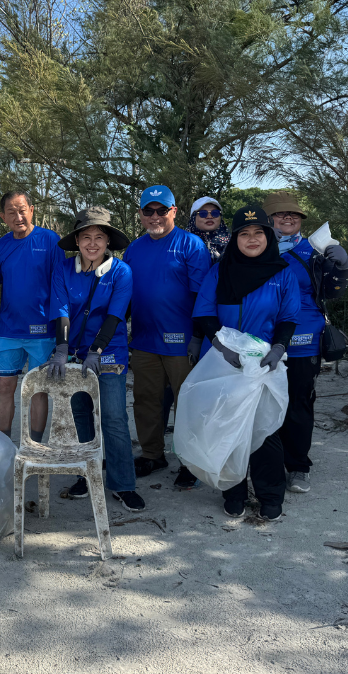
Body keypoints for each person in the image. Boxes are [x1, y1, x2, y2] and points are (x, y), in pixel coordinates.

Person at [192, 207, 301, 521]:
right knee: (228, 427)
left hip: (263, 363)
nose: (252, 239)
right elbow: (204, 313)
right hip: (224, 362)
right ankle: (233, 492)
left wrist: (278, 348)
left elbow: (289, 316)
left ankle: (270, 495)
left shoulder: (283, 273)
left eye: (258, 233)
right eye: (244, 233)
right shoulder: (220, 271)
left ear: (268, 236)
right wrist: (222, 348)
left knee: (265, 430)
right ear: (235, 239)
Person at [45, 207, 146, 512]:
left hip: (109, 351)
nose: (92, 243)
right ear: (77, 241)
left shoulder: (121, 272)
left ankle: (123, 483)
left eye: (99, 237)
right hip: (75, 352)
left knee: (113, 417)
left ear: (108, 241)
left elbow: (116, 315)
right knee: (80, 414)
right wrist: (62, 348)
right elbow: (61, 309)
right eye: (86, 237)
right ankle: (86, 474)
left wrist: (97, 350)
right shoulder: (63, 269)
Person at [262, 191, 348, 494]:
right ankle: (267, 465)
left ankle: (298, 467)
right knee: (263, 404)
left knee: (298, 404)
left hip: (303, 339)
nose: (288, 217)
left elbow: (332, 292)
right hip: (262, 338)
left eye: (294, 214)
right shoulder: (254, 247)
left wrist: (342, 267)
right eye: (280, 213)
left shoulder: (314, 251)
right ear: (268, 219)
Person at [123, 186, 211, 487]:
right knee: (146, 400)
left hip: (182, 342)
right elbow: (125, 296)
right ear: (141, 214)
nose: (155, 216)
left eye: (162, 210)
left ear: (174, 211)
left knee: (188, 403)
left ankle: (191, 462)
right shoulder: (134, 249)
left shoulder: (191, 244)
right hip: (144, 340)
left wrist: (197, 337)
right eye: (149, 210)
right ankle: (152, 454)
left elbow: (203, 296)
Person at [0, 191, 67, 442]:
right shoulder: (0, 246)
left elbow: (61, 287)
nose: (18, 217)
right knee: (5, 387)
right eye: (11, 212)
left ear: (32, 210)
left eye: (22, 210)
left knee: (38, 390)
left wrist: (63, 335)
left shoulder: (51, 241)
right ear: (3, 216)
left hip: (43, 331)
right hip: (8, 330)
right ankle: (4, 446)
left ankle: (35, 446)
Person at [187, 196, 230, 262]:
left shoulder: (233, 244)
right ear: (193, 218)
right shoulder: (183, 243)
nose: (209, 217)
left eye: (215, 213)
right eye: (203, 214)